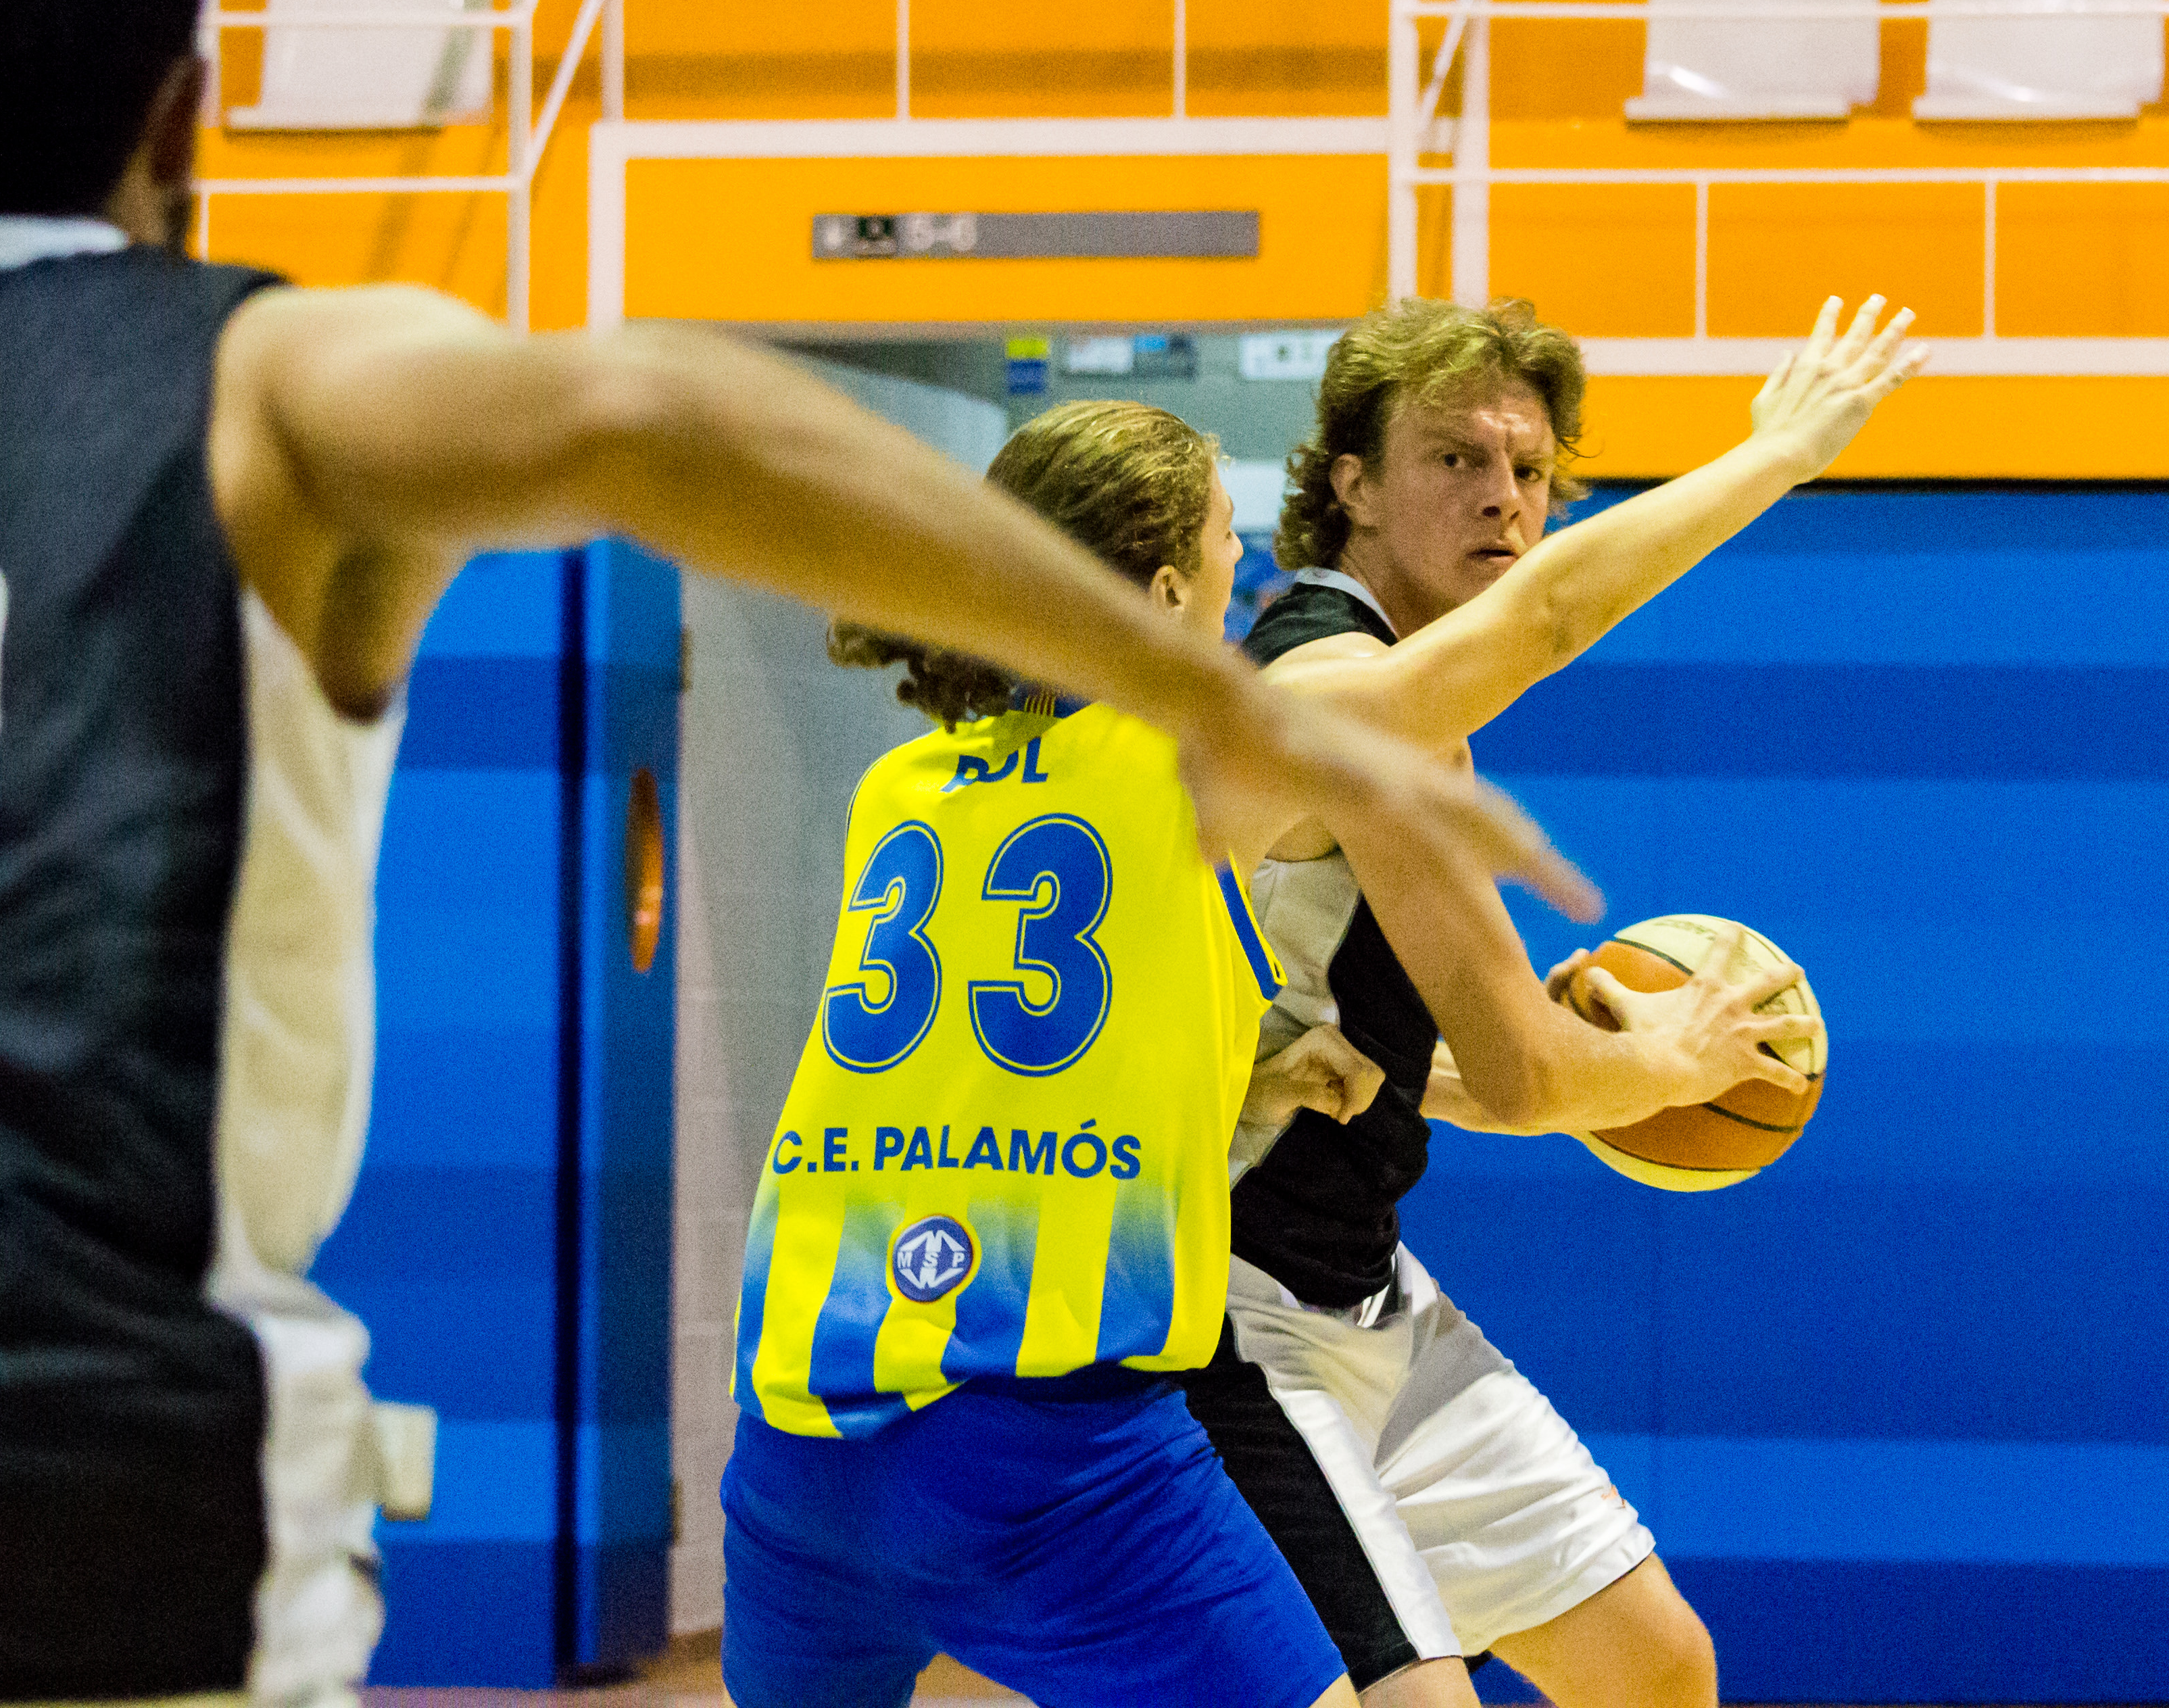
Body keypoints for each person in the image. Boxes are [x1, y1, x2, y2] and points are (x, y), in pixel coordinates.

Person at [0, 0, 1582, 1706]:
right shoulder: (254, 381)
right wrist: (1207, 695)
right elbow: (645, 407)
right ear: (187, 111)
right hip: (76, 1467)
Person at [712, 339, 1897, 1708]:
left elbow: (992, 1052)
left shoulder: (903, 787)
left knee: (1652, 1663)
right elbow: (1544, 618)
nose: (1245, 571)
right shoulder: (1200, 752)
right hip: (1048, 1435)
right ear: (1168, 592)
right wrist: (1777, 454)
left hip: (797, 1436)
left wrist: (1257, 1068)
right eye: (1226, 541)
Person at [1180, 293, 1922, 1708]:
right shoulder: (1340, 681)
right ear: (1351, 483)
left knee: (1654, 1667)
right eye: (1456, 458)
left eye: (1528, 469)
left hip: (1363, 1289)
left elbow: (1398, 1056)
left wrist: (1575, 1059)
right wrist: (1676, 1056)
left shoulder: (1387, 696)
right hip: (1237, 1310)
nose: (1503, 498)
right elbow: (1528, 1077)